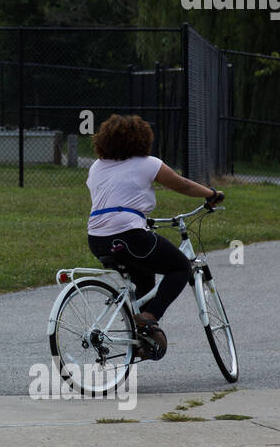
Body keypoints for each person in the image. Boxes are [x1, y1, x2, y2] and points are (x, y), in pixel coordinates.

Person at [85, 114, 223, 359]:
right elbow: (183, 185)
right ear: (142, 140)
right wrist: (211, 193)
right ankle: (150, 318)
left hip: (97, 239)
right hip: (129, 235)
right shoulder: (147, 163)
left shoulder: (97, 166)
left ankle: (142, 340)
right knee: (181, 266)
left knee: (145, 280)